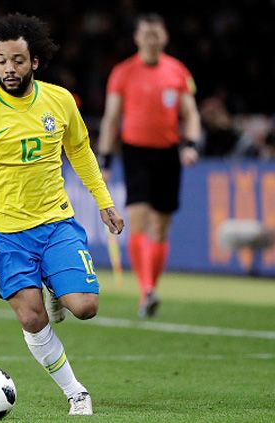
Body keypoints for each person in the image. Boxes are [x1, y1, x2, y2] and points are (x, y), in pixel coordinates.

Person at [0, 13, 124, 416]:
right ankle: (76, 392)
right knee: (32, 317)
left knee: (85, 307)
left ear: (35, 61)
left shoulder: (60, 101)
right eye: (0, 61)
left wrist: (104, 201)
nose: (8, 69)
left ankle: (55, 285)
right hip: (5, 233)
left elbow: (80, 151)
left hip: (55, 223)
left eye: (17, 60)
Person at [97, 13, 201, 318]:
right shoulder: (123, 72)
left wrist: (192, 144)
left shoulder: (178, 72)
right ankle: (146, 290)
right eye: (146, 34)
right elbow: (112, 118)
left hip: (168, 153)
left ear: (164, 37)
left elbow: (190, 113)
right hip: (136, 152)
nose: (151, 39)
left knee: (161, 226)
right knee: (139, 217)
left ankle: (150, 289)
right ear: (137, 38)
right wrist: (104, 158)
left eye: (156, 34)